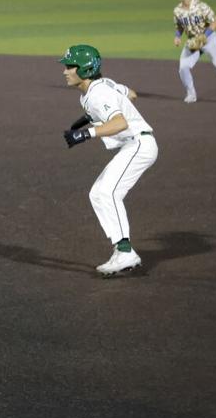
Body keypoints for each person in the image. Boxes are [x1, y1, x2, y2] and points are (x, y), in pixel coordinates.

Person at [59, 44, 157, 277]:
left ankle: (125, 252)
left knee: (107, 193)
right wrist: (87, 118)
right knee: (98, 193)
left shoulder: (98, 93)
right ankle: (122, 250)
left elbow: (120, 123)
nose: (64, 71)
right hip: (136, 144)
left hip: (139, 145)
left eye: (69, 66)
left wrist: (86, 133)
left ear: (84, 69)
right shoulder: (104, 86)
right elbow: (131, 94)